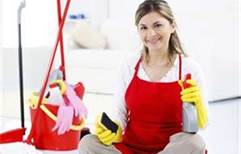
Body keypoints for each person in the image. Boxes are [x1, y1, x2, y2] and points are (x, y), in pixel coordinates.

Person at [79, 0, 209, 153]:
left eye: (158, 25)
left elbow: (202, 126)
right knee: (87, 142)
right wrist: (114, 129)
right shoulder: (129, 66)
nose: (151, 34)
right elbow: (119, 112)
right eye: (144, 28)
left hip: (171, 149)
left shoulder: (189, 69)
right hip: (131, 147)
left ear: (172, 26)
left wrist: (197, 106)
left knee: (195, 142)